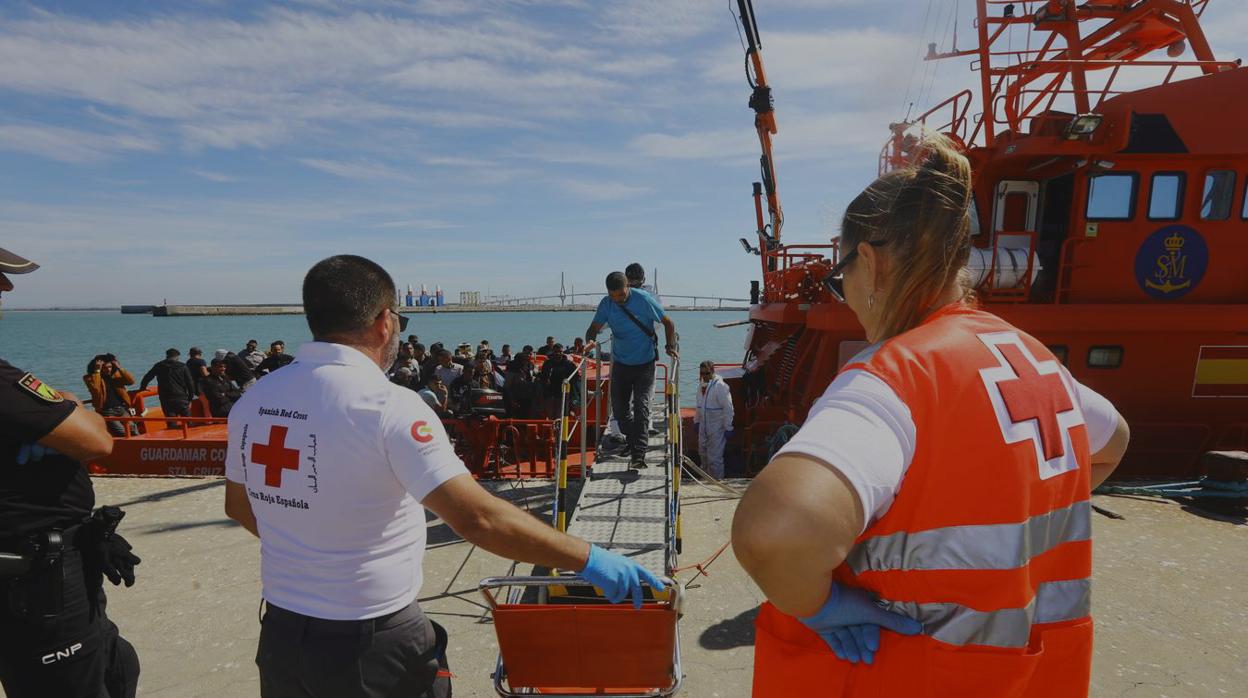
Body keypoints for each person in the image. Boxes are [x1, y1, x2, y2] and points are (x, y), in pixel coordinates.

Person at [730, 135, 1131, 696]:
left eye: (838, 276)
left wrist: (818, 604)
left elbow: (775, 533)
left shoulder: (893, 380)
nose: (842, 292)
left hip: (912, 674)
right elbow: (1113, 441)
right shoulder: (1032, 360)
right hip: (1035, 675)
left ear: (868, 263)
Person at [224, 254, 662, 698]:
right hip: (372, 647)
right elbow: (478, 519)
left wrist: (313, 549)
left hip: (281, 641)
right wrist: (590, 559)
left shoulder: (256, 400)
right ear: (383, 322)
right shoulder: (389, 405)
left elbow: (238, 505)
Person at [0, 246, 141, 698]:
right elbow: (97, 439)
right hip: (37, 580)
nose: (6, 287)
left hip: (50, 563)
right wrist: (68, 408)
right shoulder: (6, 386)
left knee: (115, 667)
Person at [585, 272, 677, 469]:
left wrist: (670, 346)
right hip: (620, 364)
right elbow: (593, 328)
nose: (617, 300)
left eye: (621, 295)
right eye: (613, 296)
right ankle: (634, 440)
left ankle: (638, 455)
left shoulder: (643, 299)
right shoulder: (607, 303)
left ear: (628, 286)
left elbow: (668, 322)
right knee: (619, 411)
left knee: (642, 408)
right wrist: (590, 341)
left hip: (645, 364)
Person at [694, 361, 734, 479]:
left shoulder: (721, 387)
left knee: (714, 459)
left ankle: (717, 482)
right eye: (701, 373)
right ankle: (705, 479)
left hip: (717, 428)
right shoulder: (701, 386)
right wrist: (696, 421)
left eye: (706, 373)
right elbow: (698, 405)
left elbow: (728, 408)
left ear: (712, 371)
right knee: (702, 455)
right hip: (703, 426)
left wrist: (728, 427)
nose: (704, 376)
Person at [139, 348, 196, 429]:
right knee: (187, 421)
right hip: (181, 397)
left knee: (171, 422)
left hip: (165, 398)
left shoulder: (159, 365)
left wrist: (142, 388)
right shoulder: (183, 366)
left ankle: (173, 436)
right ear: (177, 356)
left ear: (167, 356)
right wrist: (190, 397)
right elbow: (190, 383)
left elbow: (147, 377)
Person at [83, 354, 136, 437]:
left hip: (121, 408)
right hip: (107, 411)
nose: (108, 369)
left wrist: (120, 368)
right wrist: (97, 371)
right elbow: (95, 388)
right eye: (104, 367)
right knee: (122, 432)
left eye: (110, 367)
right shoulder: (89, 378)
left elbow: (131, 381)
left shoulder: (115, 375)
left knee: (133, 429)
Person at [538, 344, 578, 419]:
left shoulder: (569, 364)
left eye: (560, 351)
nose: (558, 353)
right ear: (553, 352)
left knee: (560, 416)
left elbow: (575, 378)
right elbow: (543, 377)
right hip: (550, 394)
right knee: (550, 415)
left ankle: (559, 430)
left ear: (563, 352)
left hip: (563, 394)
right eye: (556, 351)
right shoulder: (547, 363)